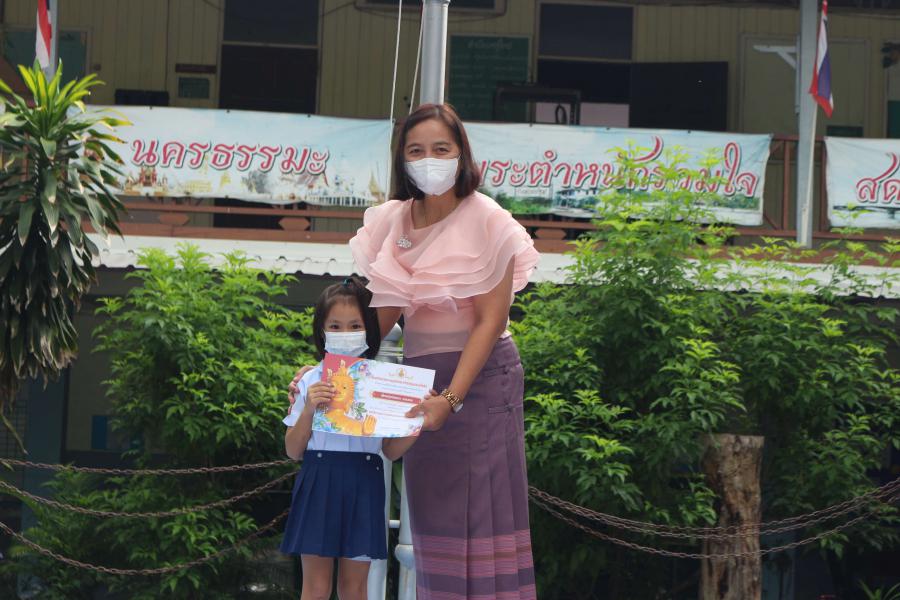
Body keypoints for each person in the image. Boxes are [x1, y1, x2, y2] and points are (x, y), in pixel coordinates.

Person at [290, 103, 539, 599]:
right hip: (418, 384)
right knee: (432, 517)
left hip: (480, 381)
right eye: (416, 150)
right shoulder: (393, 221)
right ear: (402, 159)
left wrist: (451, 399)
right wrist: (325, 371)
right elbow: (378, 320)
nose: (429, 160)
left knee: (484, 516)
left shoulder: (491, 221)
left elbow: (490, 321)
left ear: (462, 152)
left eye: (441, 149)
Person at [282, 276, 413, 600]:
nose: (345, 333)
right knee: (315, 587)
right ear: (321, 330)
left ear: (369, 329)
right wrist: (309, 409)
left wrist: (417, 423)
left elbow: (391, 451)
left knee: (354, 588)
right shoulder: (310, 380)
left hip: (365, 479)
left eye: (355, 325)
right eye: (335, 326)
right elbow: (293, 450)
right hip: (319, 477)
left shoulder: (382, 383)